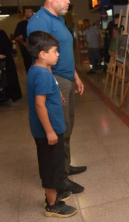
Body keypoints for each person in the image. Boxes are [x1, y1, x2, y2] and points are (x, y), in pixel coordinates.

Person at [27, 0, 86, 194]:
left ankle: (65, 167)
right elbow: (43, 58)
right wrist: (54, 87)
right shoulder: (40, 21)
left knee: (67, 127)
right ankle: (59, 179)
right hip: (55, 80)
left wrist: (76, 76)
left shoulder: (58, 19)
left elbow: (63, 53)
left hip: (66, 78)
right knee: (58, 129)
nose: (68, 1)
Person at [26, 31, 76, 218]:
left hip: (50, 128)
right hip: (49, 131)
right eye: (55, 51)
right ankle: (52, 205)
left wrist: (58, 93)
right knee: (51, 167)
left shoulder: (38, 69)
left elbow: (47, 90)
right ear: (42, 54)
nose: (58, 54)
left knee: (53, 164)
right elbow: (40, 104)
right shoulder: (43, 75)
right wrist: (49, 131)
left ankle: (54, 196)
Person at [0, 29, 22, 104]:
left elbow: (7, 46)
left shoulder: (1, 33)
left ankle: (7, 96)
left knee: (6, 79)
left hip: (5, 61)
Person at [14, 7, 35, 73]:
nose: (28, 13)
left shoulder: (37, 22)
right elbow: (16, 37)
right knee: (28, 66)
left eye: (30, 11)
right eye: (26, 12)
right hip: (26, 50)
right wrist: (24, 43)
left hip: (37, 48)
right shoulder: (21, 24)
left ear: (33, 12)